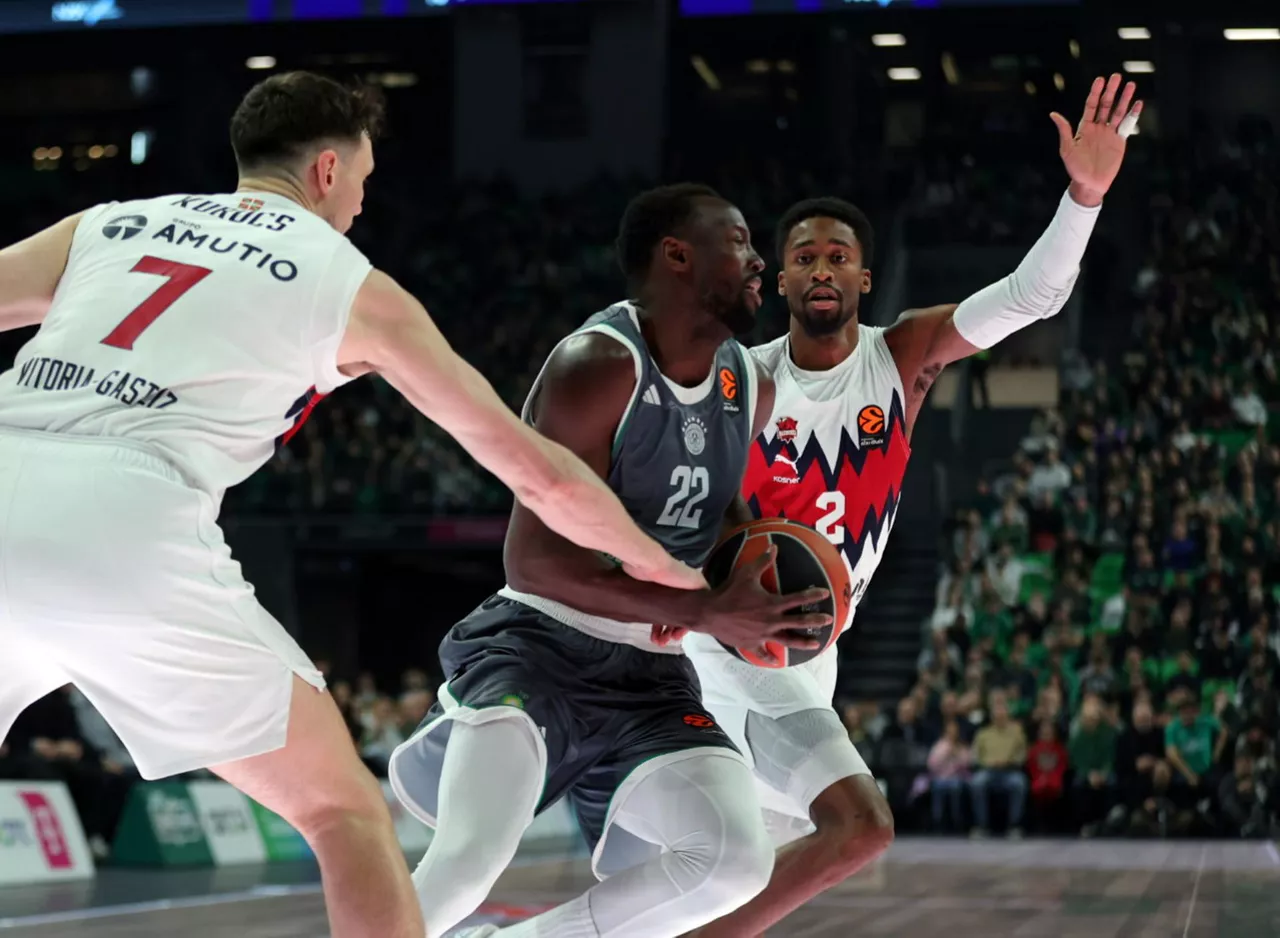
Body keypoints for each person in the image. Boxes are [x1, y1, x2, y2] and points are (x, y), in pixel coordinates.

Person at [0, 72, 703, 938]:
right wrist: (668, 573)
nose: (362, 207)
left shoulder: (108, 225)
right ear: (327, 170)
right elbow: (541, 475)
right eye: (364, 184)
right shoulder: (347, 281)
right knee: (345, 816)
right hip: (126, 509)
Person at [679, 73, 1142, 933]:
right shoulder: (743, 380)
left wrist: (1083, 196)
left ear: (862, 275)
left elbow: (1030, 298)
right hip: (735, 642)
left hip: (815, 653)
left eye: (838, 256)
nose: (823, 267)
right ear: (779, 280)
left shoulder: (905, 354)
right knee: (846, 833)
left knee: (739, 874)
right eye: (806, 256)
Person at [389, 184, 832, 938]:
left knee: (733, 859)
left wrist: (748, 577)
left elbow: (718, 514)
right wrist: (693, 608)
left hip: (648, 673)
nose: (761, 260)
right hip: (541, 648)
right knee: (468, 862)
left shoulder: (747, 385)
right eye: (740, 241)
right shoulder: (596, 366)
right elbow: (531, 562)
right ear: (678, 255)